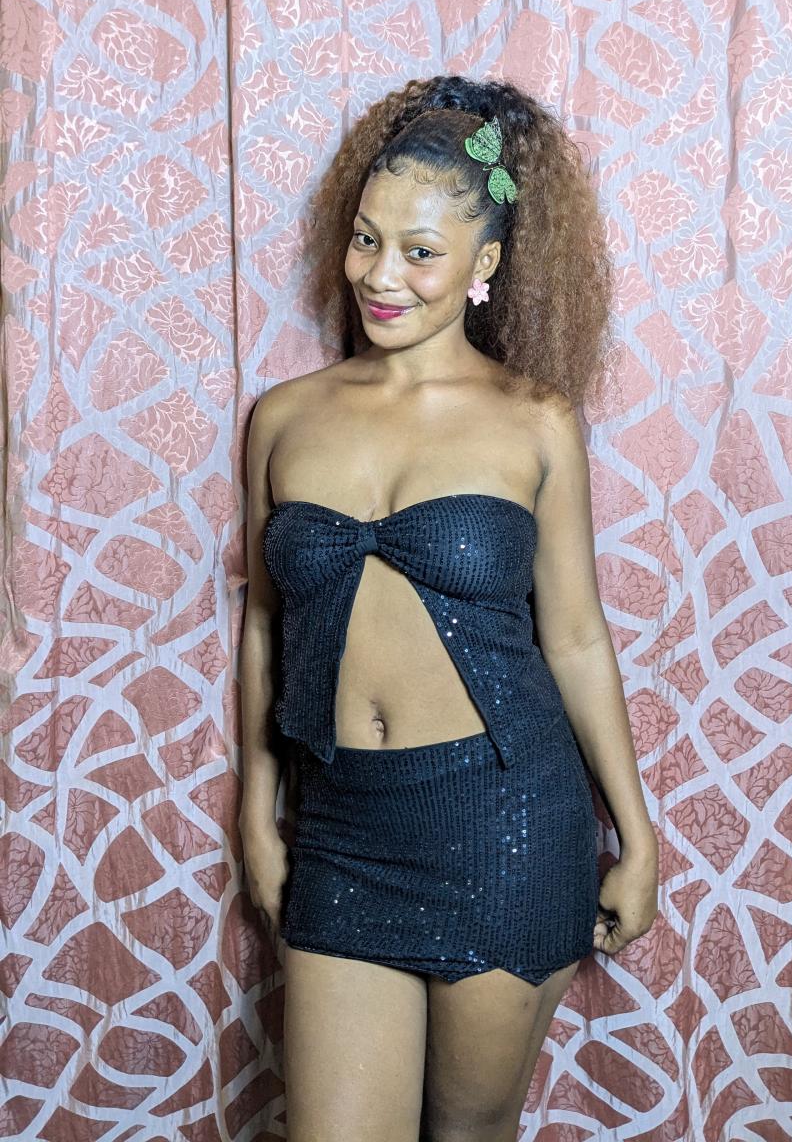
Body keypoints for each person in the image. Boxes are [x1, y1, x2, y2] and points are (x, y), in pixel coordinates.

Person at [239, 74, 659, 1142]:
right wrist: (257, 809)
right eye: (366, 240)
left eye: (420, 252)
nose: (381, 276)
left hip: (505, 823)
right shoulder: (284, 418)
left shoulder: (534, 421)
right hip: (343, 827)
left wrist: (637, 834)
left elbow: (577, 637)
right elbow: (265, 629)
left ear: (485, 266)